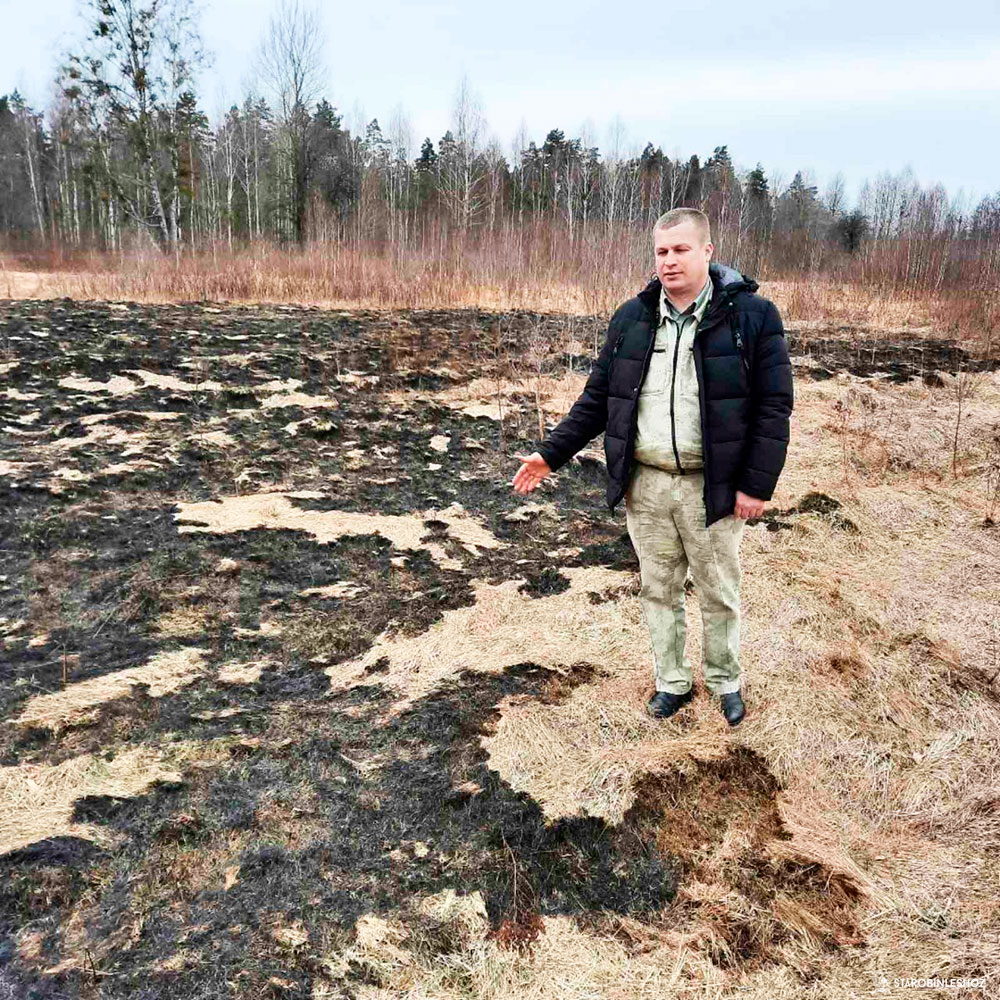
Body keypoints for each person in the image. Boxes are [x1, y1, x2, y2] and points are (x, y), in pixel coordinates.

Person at [512, 208, 793, 726]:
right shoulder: (632, 318)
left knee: (718, 592)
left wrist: (756, 484)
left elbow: (773, 407)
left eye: (681, 250)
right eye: (661, 252)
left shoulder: (752, 317)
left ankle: (725, 680)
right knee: (657, 590)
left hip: (713, 489)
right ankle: (672, 682)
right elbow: (599, 399)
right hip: (646, 486)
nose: (669, 261)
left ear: (707, 252)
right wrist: (552, 453)